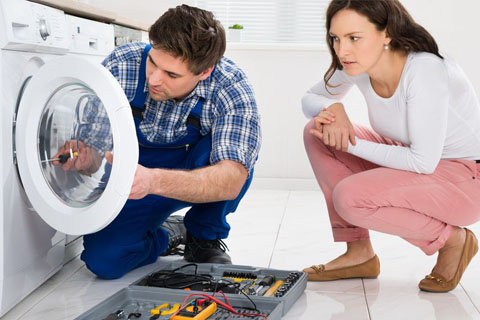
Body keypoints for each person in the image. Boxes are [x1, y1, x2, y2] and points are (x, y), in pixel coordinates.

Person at [55, 5, 261, 279]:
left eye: (172, 75)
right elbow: (94, 156)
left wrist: (153, 181)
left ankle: (203, 235)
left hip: (186, 173)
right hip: (134, 182)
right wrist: (85, 157)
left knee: (233, 164)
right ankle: (169, 233)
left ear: (204, 72)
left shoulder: (230, 86)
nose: (154, 79)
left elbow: (231, 179)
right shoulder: (121, 66)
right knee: (104, 260)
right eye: (153, 62)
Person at [301, 0, 479, 292]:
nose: (342, 50)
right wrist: (333, 107)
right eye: (336, 38)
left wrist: (349, 142)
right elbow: (309, 98)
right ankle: (359, 254)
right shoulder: (356, 64)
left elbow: (423, 162)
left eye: (354, 38)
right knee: (316, 131)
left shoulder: (425, 70)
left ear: (387, 34)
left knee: (350, 197)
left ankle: (453, 240)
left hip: (465, 179)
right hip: (415, 162)